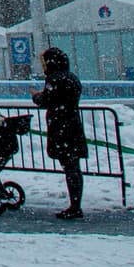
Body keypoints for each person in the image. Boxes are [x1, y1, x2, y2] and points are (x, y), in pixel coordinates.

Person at [32, 47, 87, 220]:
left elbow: (46, 101)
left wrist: (36, 97)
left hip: (60, 127)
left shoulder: (54, 79)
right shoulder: (71, 77)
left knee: (69, 167)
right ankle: (76, 203)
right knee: (74, 167)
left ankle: (74, 206)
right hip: (73, 124)